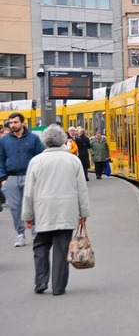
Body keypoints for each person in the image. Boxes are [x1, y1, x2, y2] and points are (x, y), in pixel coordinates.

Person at [21, 124, 90, 296]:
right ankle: (58, 287)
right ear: (62, 141)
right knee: (61, 248)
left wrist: (28, 215)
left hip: (42, 210)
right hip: (66, 211)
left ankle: (41, 281)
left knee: (40, 246)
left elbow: (29, 192)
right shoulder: (73, 160)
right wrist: (83, 213)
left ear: (45, 141)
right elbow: (82, 189)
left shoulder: (36, 161)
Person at [0, 112, 45, 247]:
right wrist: (3, 179)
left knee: (32, 204)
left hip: (29, 176)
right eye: (11, 123)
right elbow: (0, 159)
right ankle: (20, 234)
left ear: (23, 123)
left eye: (15, 122)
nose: (13, 125)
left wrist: (38, 176)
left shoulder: (33, 139)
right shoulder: (4, 140)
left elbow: (40, 157)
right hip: (11, 178)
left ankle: (35, 230)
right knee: (15, 208)